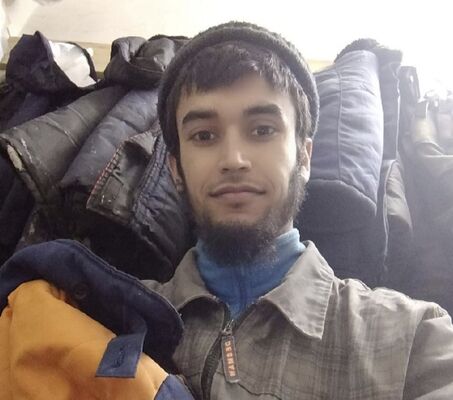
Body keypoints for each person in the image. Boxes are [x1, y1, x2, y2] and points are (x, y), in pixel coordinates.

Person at [144, 21, 453, 399]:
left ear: (304, 157)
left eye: (262, 130)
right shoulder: (112, 314)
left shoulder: (413, 340)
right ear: (176, 169)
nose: (234, 159)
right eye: (204, 135)